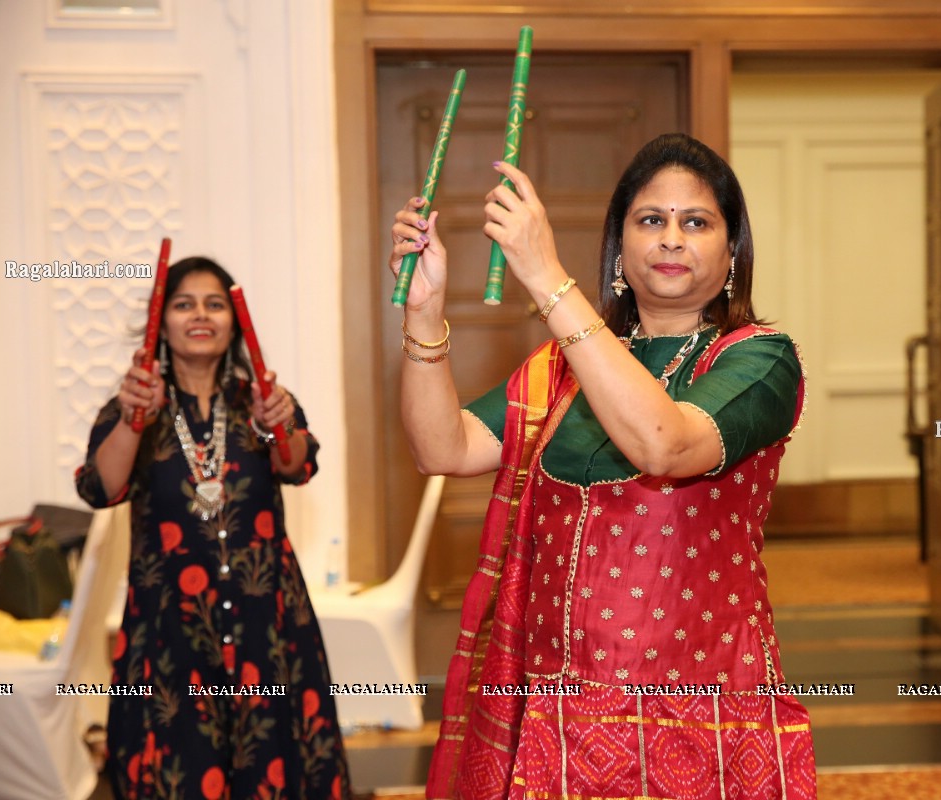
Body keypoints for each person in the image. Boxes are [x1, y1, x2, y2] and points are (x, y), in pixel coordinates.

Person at [392, 132, 815, 799]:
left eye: (696, 222)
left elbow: (664, 445)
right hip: (556, 709)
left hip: (696, 708)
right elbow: (442, 448)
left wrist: (546, 278)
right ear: (620, 250)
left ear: (731, 254)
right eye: (651, 220)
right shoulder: (559, 373)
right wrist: (423, 315)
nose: (672, 238)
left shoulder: (758, 360)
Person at [75, 256, 350, 799]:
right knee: (181, 766)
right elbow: (100, 489)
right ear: (161, 323)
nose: (200, 315)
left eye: (214, 304)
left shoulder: (259, 401)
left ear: (234, 321)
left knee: (271, 763)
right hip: (169, 631)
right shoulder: (135, 405)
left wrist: (278, 429)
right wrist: (135, 421)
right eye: (184, 304)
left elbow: (298, 465)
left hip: (265, 625)